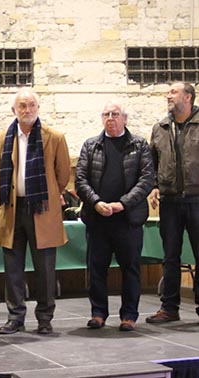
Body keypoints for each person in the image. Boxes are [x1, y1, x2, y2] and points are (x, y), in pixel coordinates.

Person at [0, 88, 70, 335]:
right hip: (12, 209)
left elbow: (63, 175)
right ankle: (15, 316)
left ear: (38, 108)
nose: (27, 110)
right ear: (13, 110)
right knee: (13, 267)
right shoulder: (1, 137)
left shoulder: (54, 137)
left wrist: (44, 195)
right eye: (22, 106)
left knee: (45, 268)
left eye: (31, 106)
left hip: (42, 209)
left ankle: (45, 318)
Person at [75, 100, 154, 331]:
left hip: (128, 220)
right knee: (96, 268)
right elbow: (80, 180)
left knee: (130, 268)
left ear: (124, 118)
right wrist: (96, 202)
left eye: (115, 114)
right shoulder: (91, 145)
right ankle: (98, 313)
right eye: (106, 114)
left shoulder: (139, 145)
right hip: (98, 219)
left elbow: (146, 180)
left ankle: (129, 315)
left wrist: (123, 204)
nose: (110, 118)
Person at [146, 82, 199, 323]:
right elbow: (152, 162)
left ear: (188, 97)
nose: (168, 96)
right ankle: (169, 308)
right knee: (170, 257)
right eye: (168, 92)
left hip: (197, 200)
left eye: (173, 92)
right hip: (169, 201)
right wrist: (155, 186)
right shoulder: (160, 128)